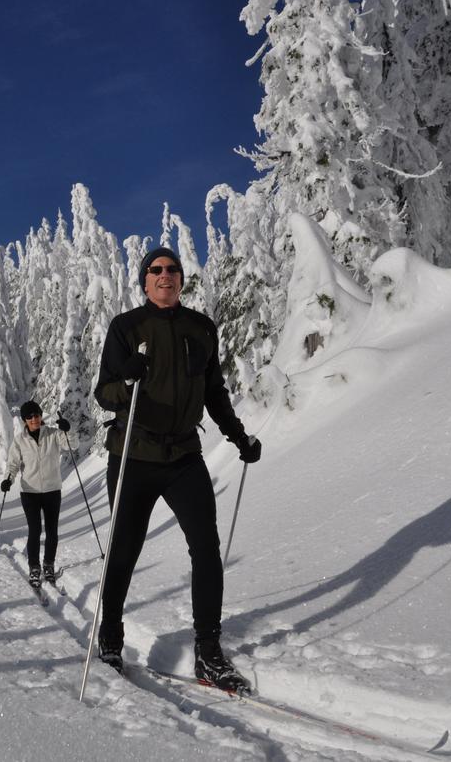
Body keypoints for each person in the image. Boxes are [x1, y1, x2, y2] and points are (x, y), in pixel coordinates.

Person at [93, 246, 262, 692]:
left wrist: (238, 436)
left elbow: (214, 393)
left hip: (184, 456)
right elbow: (103, 393)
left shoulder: (201, 329)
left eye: (172, 269)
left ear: (181, 279)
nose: (165, 275)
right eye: (156, 270)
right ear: (144, 280)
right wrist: (126, 378)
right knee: (124, 548)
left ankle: (208, 652)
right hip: (134, 454)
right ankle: (110, 633)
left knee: (206, 546)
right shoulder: (127, 327)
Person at [0, 400, 78, 589]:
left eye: (36, 415)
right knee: (34, 530)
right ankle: (34, 567)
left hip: (52, 490)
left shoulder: (52, 434)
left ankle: (48, 565)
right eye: (29, 416)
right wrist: (8, 480)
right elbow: (13, 464)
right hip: (30, 492)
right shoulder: (19, 440)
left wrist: (68, 430)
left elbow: (72, 445)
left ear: (41, 416)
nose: (34, 419)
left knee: (52, 531)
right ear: (24, 420)